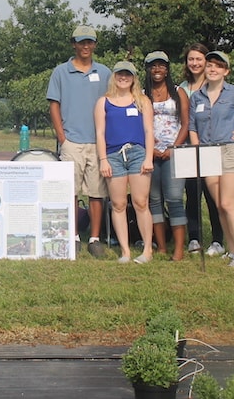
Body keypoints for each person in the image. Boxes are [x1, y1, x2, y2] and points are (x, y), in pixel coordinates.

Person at [47, 25, 112, 258]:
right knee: (70, 191)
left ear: (94, 45)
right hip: (71, 140)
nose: (86, 46)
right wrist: (62, 136)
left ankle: (94, 238)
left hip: (98, 142)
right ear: (73, 44)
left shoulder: (105, 73)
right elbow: (54, 104)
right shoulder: (61, 72)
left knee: (96, 192)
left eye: (90, 42)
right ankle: (72, 235)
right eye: (81, 42)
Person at [188, 50, 234, 267]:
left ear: (226, 71)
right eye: (210, 65)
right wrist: (197, 149)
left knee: (228, 202)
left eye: (218, 66)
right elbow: (192, 127)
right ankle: (230, 248)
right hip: (207, 152)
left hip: (229, 150)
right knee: (219, 205)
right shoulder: (197, 96)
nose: (213, 69)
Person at [94, 61, 154, 263]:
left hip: (137, 154)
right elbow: (100, 133)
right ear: (114, 76)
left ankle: (147, 251)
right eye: (120, 74)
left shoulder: (142, 101)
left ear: (134, 78)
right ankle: (125, 251)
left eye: (127, 75)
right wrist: (103, 160)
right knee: (118, 204)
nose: (123, 78)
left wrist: (148, 158)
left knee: (140, 202)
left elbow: (148, 131)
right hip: (113, 156)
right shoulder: (104, 102)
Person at [143, 50, 190, 260]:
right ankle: (160, 246)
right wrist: (151, 149)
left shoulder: (179, 91)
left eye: (161, 65)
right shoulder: (143, 94)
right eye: (153, 66)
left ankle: (179, 249)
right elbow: (139, 125)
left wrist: (173, 147)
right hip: (150, 153)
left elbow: (186, 123)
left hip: (174, 152)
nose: (157, 69)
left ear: (167, 69)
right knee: (154, 200)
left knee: (174, 198)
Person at [179, 42, 225, 256]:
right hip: (188, 148)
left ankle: (218, 239)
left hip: (212, 148)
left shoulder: (216, 84)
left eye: (199, 59)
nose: (195, 63)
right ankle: (194, 238)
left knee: (213, 194)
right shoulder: (181, 88)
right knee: (192, 194)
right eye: (191, 59)